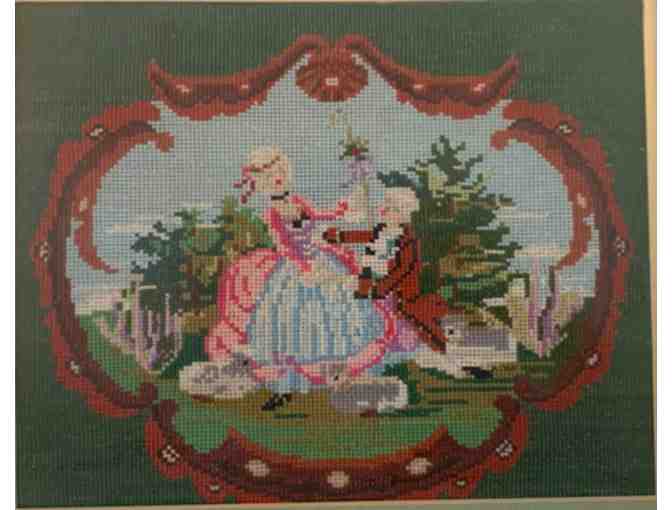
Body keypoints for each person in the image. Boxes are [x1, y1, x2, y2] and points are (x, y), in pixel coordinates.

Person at [205, 146, 401, 410]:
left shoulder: (298, 201)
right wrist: (304, 268)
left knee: (338, 315)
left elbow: (318, 217)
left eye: (279, 171)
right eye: (268, 175)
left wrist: (342, 211)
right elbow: (283, 246)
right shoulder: (272, 213)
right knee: (291, 325)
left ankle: (342, 378)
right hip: (294, 271)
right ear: (259, 183)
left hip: (321, 261)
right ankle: (284, 385)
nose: (277, 178)